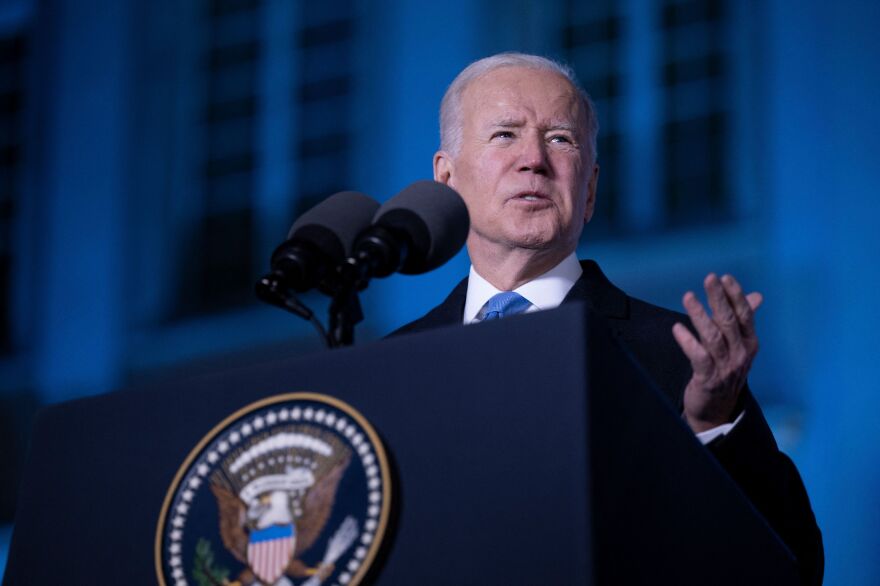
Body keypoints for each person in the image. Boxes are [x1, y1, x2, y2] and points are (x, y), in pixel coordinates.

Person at [393, 53, 823, 584]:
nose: (533, 159)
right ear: (446, 179)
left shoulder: (679, 355)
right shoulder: (395, 367)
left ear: (590, 189)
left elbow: (792, 566)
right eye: (505, 135)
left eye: (560, 140)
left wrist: (712, 425)